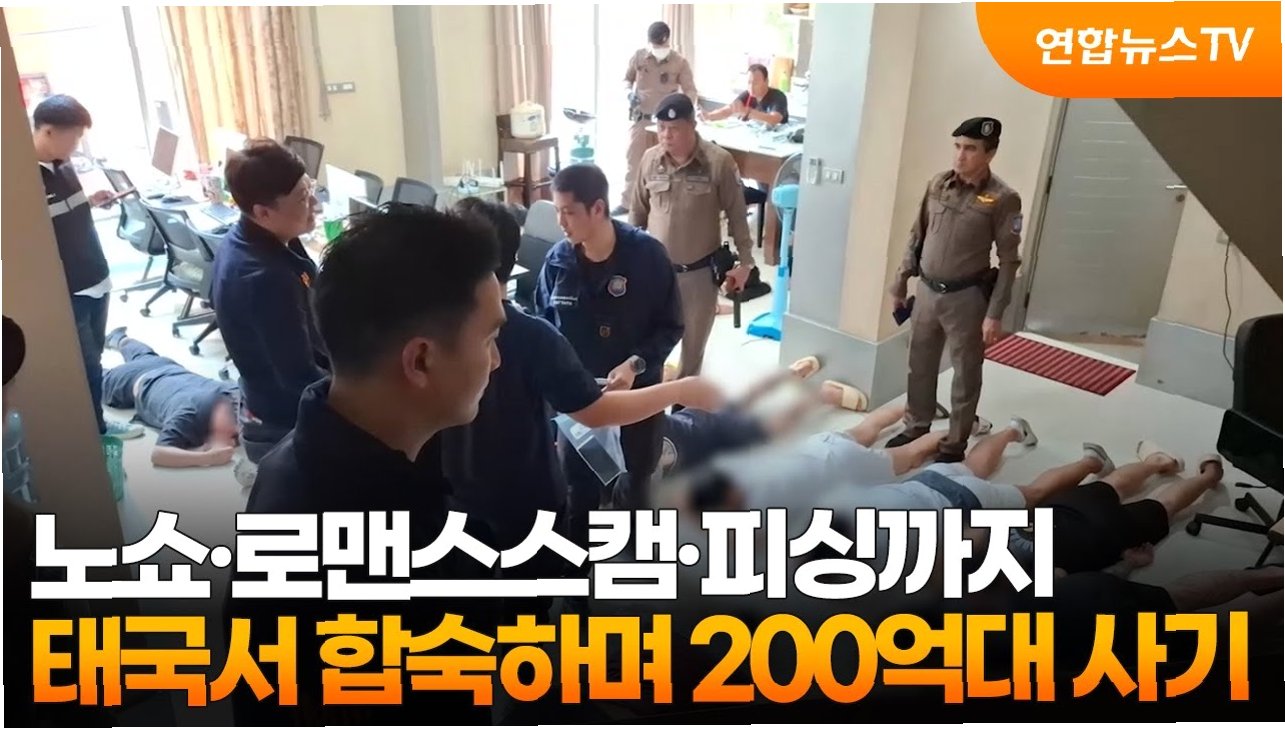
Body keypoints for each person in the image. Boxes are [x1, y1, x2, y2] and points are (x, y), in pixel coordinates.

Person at [226, 205, 507, 725]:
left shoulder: (290, 459)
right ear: (420, 359)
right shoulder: (408, 563)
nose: (496, 361)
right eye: (489, 340)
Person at [441, 197, 720, 620]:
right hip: (523, 503)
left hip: (456, 500)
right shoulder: (531, 333)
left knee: (474, 607)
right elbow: (596, 410)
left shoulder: (425, 327)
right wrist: (680, 390)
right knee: (526, 607)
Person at [537, 163, 683, 538]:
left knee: (638, 479)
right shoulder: (558, 262)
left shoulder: (647, 257)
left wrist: (635, 364)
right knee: (579, 484)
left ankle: (635, 552)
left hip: (637, 394)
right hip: (581, 400)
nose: (561, 222)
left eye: (569, 212)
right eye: (557, 211)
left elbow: (671, 325)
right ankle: (581, 563)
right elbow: (543, 327)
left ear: (598, 208)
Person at [887, 116, 1023, 463]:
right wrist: (900, 282)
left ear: (989, 154)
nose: (960, 155)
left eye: (971, 149)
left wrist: (994, 313)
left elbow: (1009, 261)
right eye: (958, 146)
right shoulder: (937, 185)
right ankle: (916, 425)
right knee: (919, 362)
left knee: (965, 371)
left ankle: (954, 443)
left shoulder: (1003, 199)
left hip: (967, 298)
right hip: (927, 291)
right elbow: (916, 235)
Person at [32, 95, 142, 440]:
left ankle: (97, 424)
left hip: (97, 276)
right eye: (74, 136)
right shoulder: (24, 180)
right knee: (86, 366)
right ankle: (97, 432)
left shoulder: (63, 164)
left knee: (95, 359)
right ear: (48, 131)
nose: (77, 144)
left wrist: (91, 202)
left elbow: (66, 216)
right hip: (70, 288)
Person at [211, 139, 327, 464]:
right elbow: (299, 377)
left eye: (311, 189)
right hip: (285, 423)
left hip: (268, 402)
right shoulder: (265, 278)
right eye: (302, 197)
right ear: (262, 212)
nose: (315, 203)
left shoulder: (255, 238)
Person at [630, 93, 756, 379]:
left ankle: (684, 402)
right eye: (661, 128)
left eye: (674, 129)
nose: (666, 135)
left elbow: (738, 216)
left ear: (692, 126)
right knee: (649, 346)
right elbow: (637, 213)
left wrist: (746, 263)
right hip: (656, 273)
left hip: (699, 275)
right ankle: (651, 400)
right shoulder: (650, 160)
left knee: (692, 351)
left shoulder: (718, 162)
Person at [1008, 443, 1228, 574]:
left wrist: (1127, 565)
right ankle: (1158, 461)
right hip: (1057, 513)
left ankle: (1210, 475)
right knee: (1111, 484)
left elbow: (1062, 582)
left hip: (1096, 538)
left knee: (1163, 506)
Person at [99, 328, 239, 468]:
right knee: (92, 380)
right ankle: (115, 340)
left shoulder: (231, 393)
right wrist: (208, 457)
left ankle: (118, 338)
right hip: (130, 379)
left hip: (164, 365)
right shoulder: (188, 416)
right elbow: (159, 454)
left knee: (143, 354)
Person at [616, 20, 697, 217]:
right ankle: (628, 204)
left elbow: (690, 91)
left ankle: (661, 208)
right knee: (634, 161)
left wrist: (681, 110)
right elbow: (626, 79)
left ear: (668, 40)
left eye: (661, 44)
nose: (658, 48)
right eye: (655, 44)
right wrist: (628, 93)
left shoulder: (679, 62)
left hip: (667, 125)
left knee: (665, 166)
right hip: (642, 119)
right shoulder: (640, 57)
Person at [703, 64, 790, 126]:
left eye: (755, 83)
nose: (751, 87)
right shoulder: (747, 94)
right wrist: (708, 116)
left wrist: (748, 112)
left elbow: (774, 119)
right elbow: (728, 110)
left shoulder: (778, 96)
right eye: (749, 83)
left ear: (766, 82)